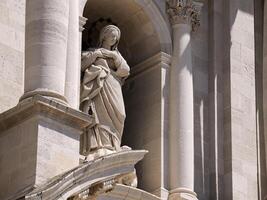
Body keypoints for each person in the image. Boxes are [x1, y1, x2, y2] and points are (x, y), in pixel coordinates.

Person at [80, 25, 130, 158]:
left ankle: (115, 145)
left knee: (121, 114)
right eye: (112, 35)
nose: (114, 38)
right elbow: (82, 65)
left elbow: (125, 70)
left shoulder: (116, 55)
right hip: (99, 85)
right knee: (99, 114)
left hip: (114, 85)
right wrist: (96, 55)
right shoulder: (94, 51)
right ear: (104, 36)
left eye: (116, 37)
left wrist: (114, 56)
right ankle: (101, 144)